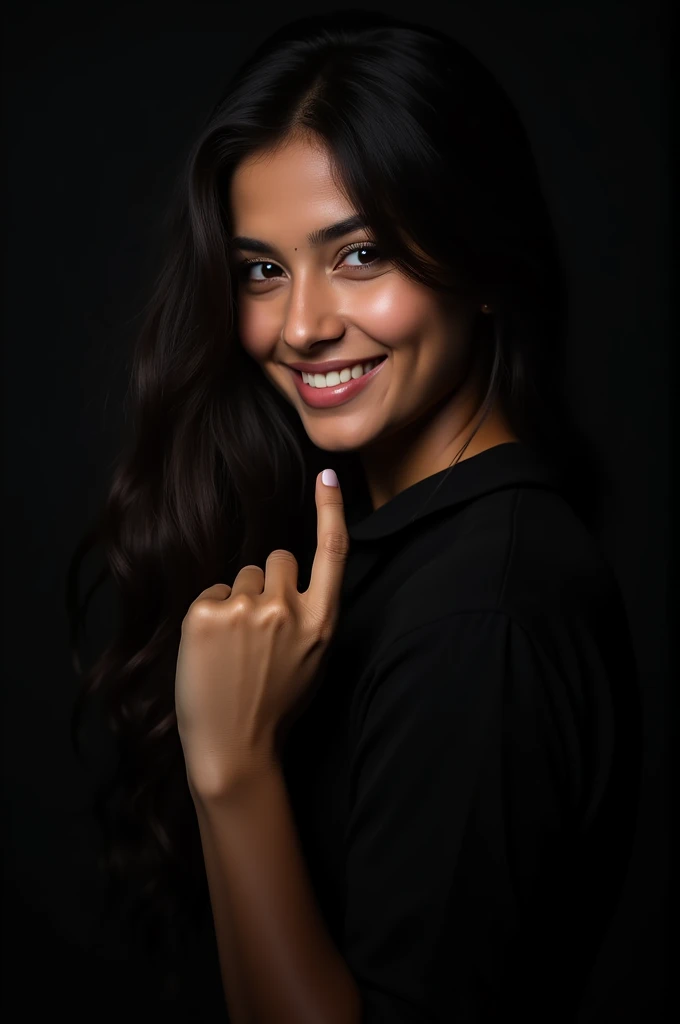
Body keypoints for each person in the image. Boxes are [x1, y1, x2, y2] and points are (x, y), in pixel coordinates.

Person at [67, 9, 643, 1022]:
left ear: (480, 257)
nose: (300, 325)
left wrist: (234, 770)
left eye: (360, 253)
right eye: (261, 269)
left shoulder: (482, 616)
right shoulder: (399, 551)